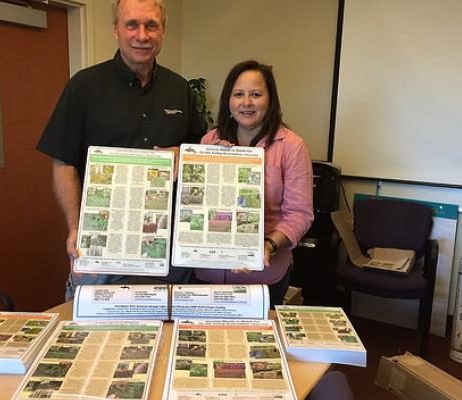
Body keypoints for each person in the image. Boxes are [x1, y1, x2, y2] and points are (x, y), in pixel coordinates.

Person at [37, 0, 204, 300]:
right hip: (103, 247)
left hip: (165, 252)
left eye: (151, 25)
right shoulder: (83, 87)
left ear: (163, 31)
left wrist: (185, 154)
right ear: (116, 30)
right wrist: (75, 227)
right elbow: (63, 163)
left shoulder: (180, 89)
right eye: (132, 24)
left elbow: (199, 155)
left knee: (164, 339)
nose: (142, 34)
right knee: (94, 339)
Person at [195, 60, 314, 308]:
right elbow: (195, 203)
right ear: (229, 100)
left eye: (256, 94)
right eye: (238, 94)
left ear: (270, 100)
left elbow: (300, 214)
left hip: (263, 277)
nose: (246, 102)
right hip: (207, 272)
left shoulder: (292, 147)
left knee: (255, 345)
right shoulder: (210, 140)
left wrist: (268, 245)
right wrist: (211, 165)